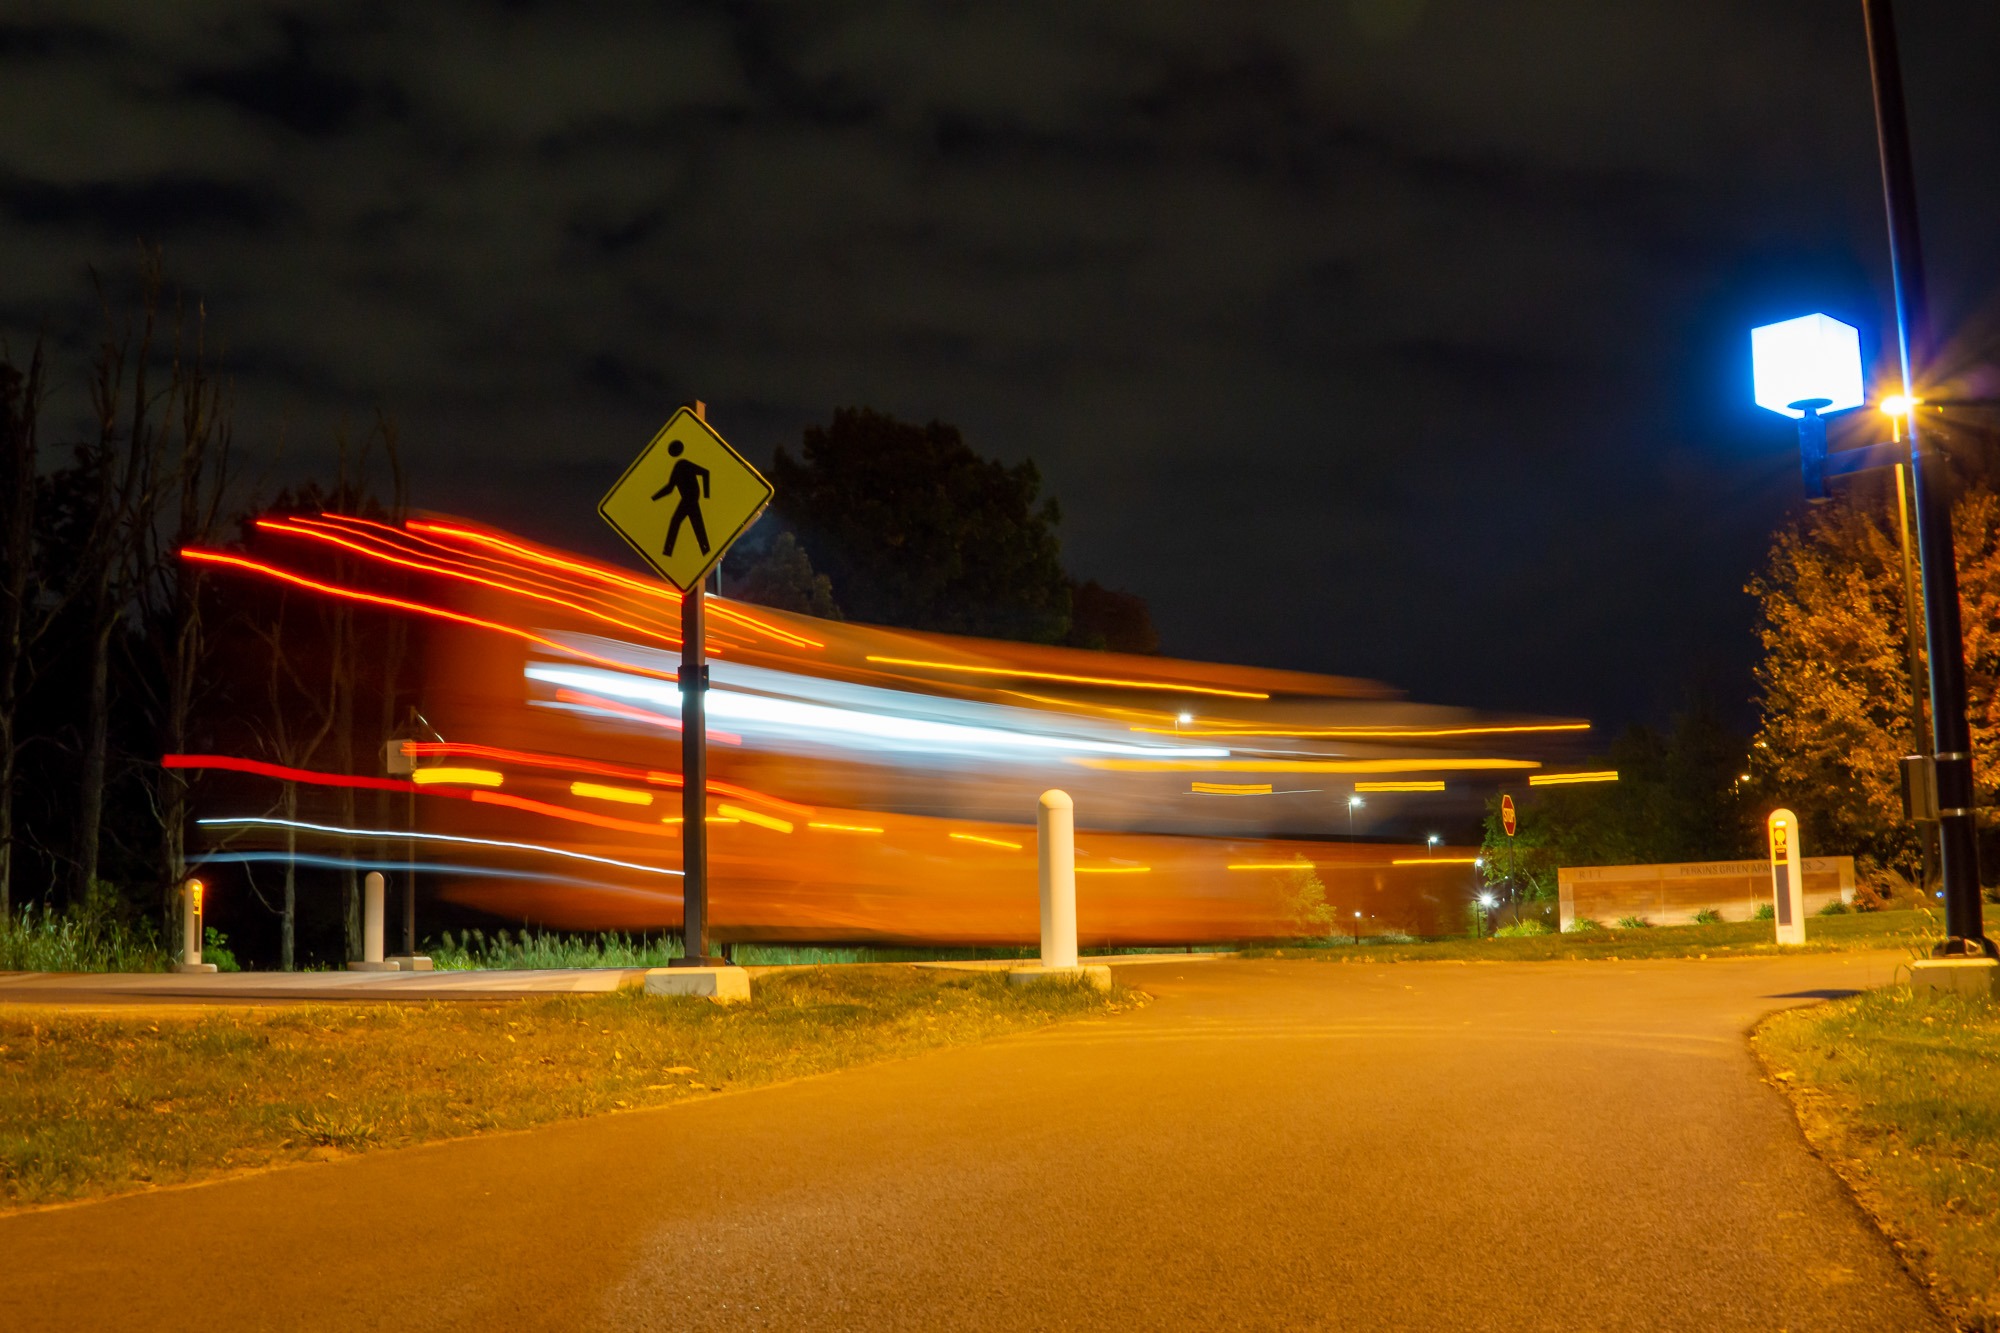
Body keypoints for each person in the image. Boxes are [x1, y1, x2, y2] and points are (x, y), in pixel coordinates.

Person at [652, 440, 711, 556]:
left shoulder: (683, 464)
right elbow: (670, 488)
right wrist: (653, 498)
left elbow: (705, 472)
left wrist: (706, 495)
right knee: (695, 524)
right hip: (689, 499)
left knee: (679, 522)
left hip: (691, 498)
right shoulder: (678, 466)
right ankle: (705, 551)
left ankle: (667, 552)